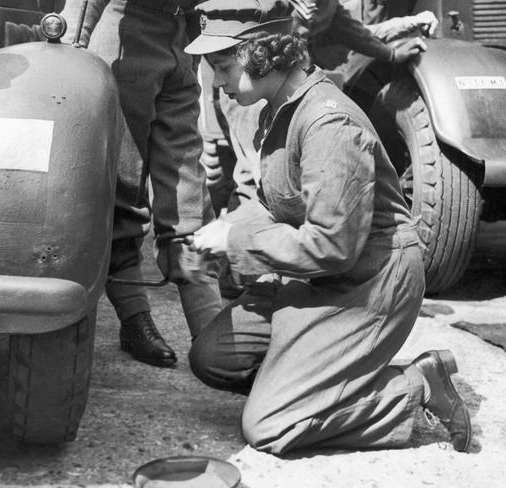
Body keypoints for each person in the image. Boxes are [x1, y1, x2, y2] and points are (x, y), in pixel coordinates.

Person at [184, 0, 472, 454]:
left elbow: (332, 246)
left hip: (369, 282)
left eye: (222, 67)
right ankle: (317, 380)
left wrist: (238, 240)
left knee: (270, 428)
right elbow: (274, 203)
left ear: (262, 56)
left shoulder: (328, 121)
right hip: (317, 274)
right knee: (214, 357)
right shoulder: (277, 108)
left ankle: (414, 386)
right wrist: (224, 227)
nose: (216, 82)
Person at [59, 0, 223, 367]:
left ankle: (213, 335)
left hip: (183, 39)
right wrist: (70, 50)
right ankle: (135, 320)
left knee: (187, 189)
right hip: (126, 38)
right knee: (124, 187)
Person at [201, 0, 439, 213]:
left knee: (281, 172)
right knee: (256, 173)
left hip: (290, 90)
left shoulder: (329, 6)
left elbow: (355, 33)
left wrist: (391, 53)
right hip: (247, 88)